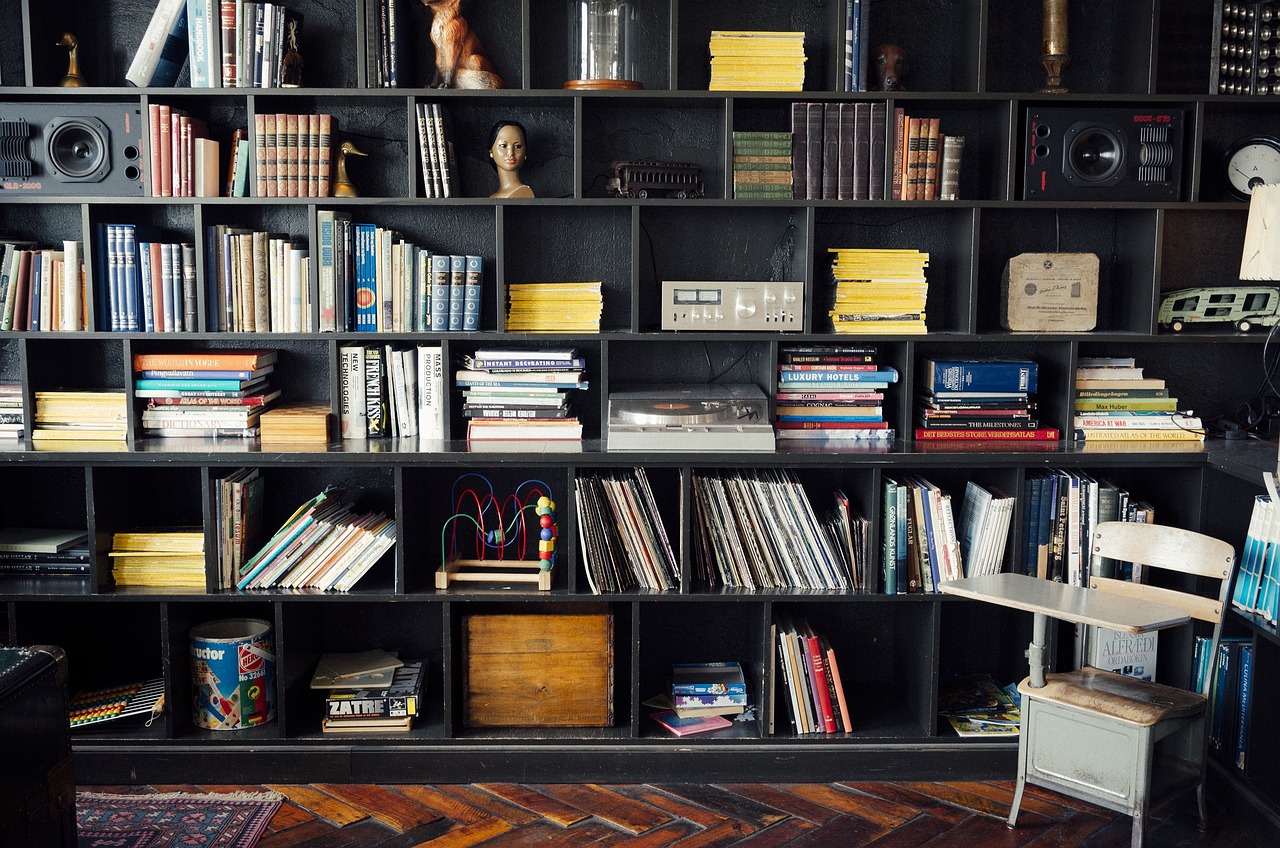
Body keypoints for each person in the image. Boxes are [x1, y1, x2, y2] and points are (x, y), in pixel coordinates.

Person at [488, 120, 534, 198]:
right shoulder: (493, 197)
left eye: (518, 146)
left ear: (525, 152)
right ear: (491, 152)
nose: (511, 152)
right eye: (503, 146)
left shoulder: (523, 192)